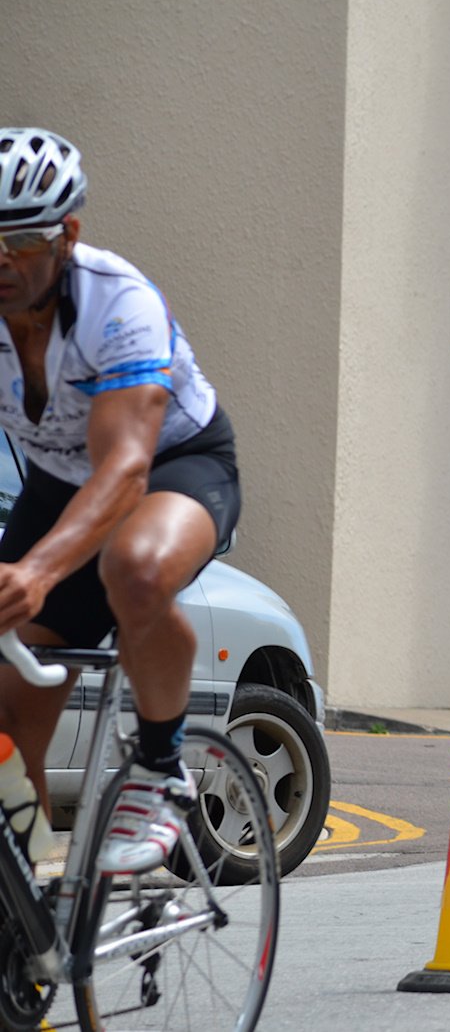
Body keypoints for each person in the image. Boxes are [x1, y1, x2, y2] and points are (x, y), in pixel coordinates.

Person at [0, 128, 242, 873]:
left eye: (23, 242)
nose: (2, 260)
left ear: (68, 235)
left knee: (134, 568)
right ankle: (25, 911)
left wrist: (37, 573)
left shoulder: (120, 303)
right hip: (57, 482)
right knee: (8, 724)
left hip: (173, 466)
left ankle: (161, 767)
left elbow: (125, 471)